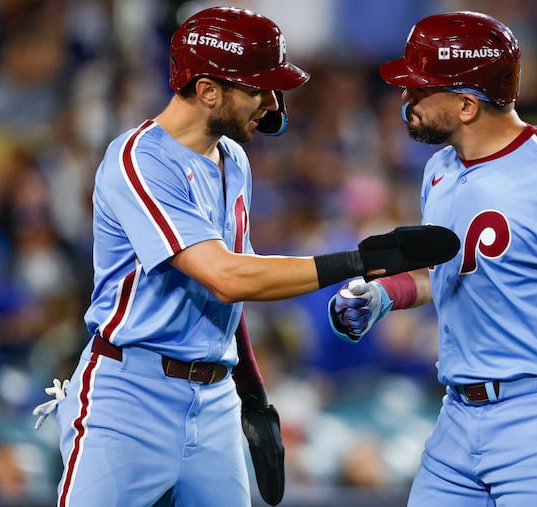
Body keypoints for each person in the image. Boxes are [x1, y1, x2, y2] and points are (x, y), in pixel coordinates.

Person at [30, 7, 458, 507]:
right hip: (131, 394)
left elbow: (235, 298)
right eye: (258, 88)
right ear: (208, 90)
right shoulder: (138, 160)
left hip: (213, 399)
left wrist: (252, 394)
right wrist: (358, 262)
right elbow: (225, 277)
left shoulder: (233, 158)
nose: (272, 102)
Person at [328, 11, 537, 506]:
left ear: (466, 105)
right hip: (457, 415)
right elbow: (452, 276)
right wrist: (382, 295)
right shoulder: (440, 168)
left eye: (420, 89)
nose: (405, 98)